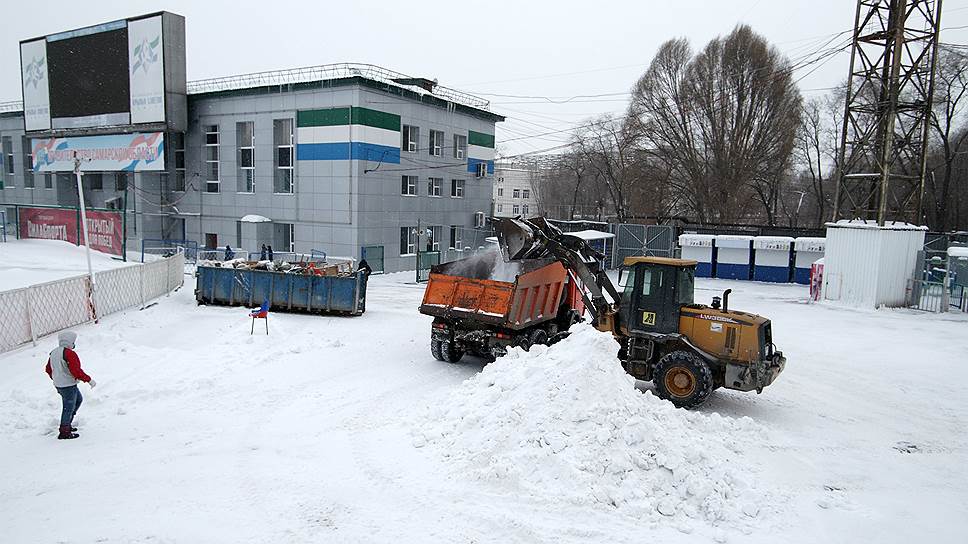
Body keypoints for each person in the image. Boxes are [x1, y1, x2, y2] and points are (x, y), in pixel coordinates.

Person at [44, 331, 95, 440]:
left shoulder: (53, 353)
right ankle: (64, 432)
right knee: (68, 407)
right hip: (67, 386)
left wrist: (57, 378)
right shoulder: (69, 353)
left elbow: (48, 369)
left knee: (78, 400)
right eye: (73, 341)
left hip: (61, 385)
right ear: (70, 341)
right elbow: (76, 371)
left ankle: (68, 423)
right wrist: (89, 380)